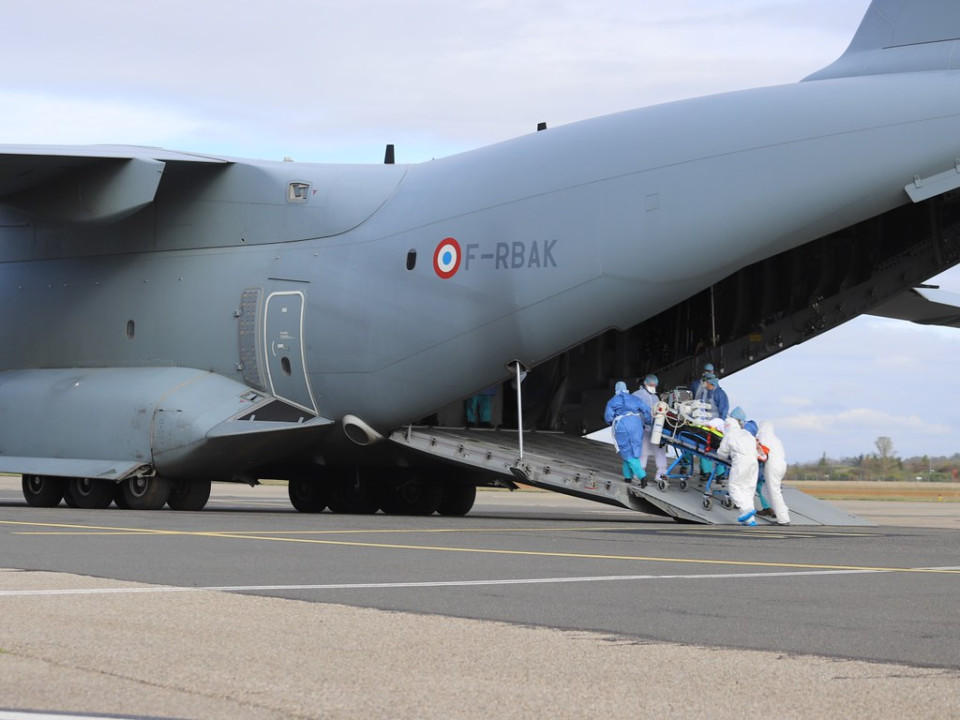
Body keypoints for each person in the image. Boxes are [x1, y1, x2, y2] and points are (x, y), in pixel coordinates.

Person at [603, 381, 651, 484]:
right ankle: (627, 477)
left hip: (623, 425)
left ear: (616, 389)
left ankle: (642, 476)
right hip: (636, 424)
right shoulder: (635, 399)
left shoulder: (612, 401)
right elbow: (647, 410)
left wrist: (612, 422)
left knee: (627, 452)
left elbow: (608, 417)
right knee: (633, 450)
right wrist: (647, 421)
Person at [716, 418, 760, 525]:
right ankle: (750, 520)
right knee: (748, 490)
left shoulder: (729, 435)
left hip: (741, 463)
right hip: (754, 463)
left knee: (734, 487)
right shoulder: (747, 433)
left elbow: (722, 454)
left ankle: (747, 510)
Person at [632, 374, 667, 481]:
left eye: (654, 385)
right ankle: (639, 474)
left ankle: (661, 474)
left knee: (659, 450)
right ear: (645, 383)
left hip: (654, 428)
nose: (653, 387)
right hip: (642, 428)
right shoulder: (637, 395)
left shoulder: (655, 397)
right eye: (651, 385)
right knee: (643, 451)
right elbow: (632, 410)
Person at [757, 421, 791, 525]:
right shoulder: (777, 439)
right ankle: (782, 512)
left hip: (772, 465)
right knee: (770, 490)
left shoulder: (763, 438)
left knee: (774, 492)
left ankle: (783, 519)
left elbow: (761, 453)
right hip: (782, 465)